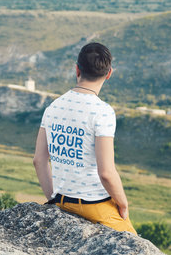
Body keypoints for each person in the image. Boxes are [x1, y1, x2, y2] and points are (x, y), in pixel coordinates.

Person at [33, 42, 136, 234]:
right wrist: (123, 203)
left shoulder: (53, 107)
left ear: (77, 69)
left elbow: (39, 160)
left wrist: (54, 200)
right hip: (93, 204)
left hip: (62, 200)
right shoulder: (102, 111)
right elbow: (106, 172)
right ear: (109, 73)